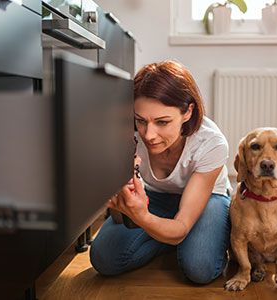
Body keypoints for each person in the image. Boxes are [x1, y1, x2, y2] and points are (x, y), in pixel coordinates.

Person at [90, 60, 232, 284]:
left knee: (199, 268)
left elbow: (182, 225)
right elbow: (118, 216)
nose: (149, 135)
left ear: (188, 112)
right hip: (155, 195)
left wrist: (143, 217)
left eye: (162, 122)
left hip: (207, 198)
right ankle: (167, 236)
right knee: (104, 259)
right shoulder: (125, 134)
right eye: (141, 120)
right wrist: (121, 198)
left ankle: (180, 238)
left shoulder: (211, 143)